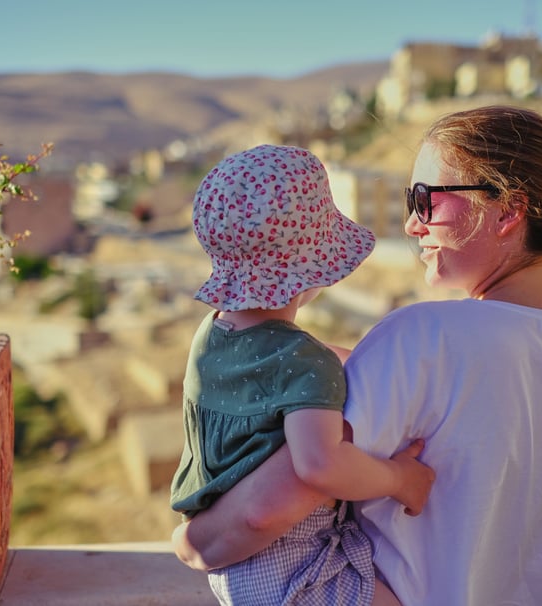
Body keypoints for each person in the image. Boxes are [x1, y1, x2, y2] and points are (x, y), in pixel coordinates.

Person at [172, 106, 542, 605]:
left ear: (508, 211)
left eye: (425, 200)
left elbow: (257, 516)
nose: (413, 224)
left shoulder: (419, 341)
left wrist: (186, 543)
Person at [170, 143, 435, 606]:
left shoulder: (210, 334)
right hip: (293, 568)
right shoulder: (307, 363)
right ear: (314, 268)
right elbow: (320, 465)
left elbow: (272, 373)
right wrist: (399, 479)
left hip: (233, 568)